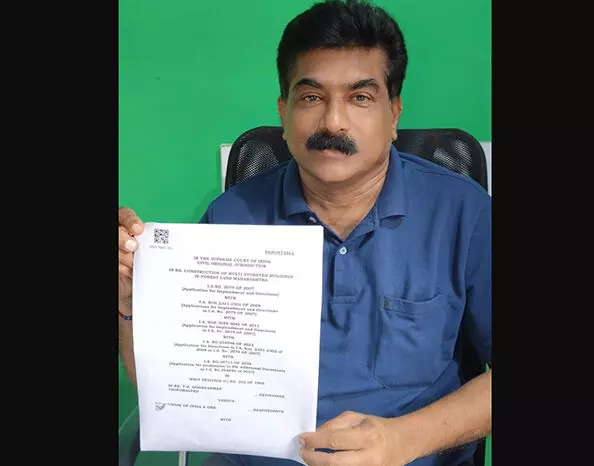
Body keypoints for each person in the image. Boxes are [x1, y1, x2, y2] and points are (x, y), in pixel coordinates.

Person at [118, 1, 491, 465]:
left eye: (360, 98)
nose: (333, 122)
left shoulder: (464, 214)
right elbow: (171, 390)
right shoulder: (231, 217)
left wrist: (402, 440)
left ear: (394, 114)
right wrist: (131, 306)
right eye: (312, 97)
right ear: (284, 111)